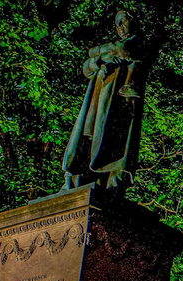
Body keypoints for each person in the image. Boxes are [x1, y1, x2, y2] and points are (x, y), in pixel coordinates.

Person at [61, 10, 144, 191]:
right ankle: (78, 177)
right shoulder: (112, 49)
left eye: (124, 22)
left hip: (119, 102)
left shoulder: (139, 43)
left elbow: (125, 51)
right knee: (86, 136)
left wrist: (100, 52)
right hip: (97, 99)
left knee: (114, 142)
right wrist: (100, 59)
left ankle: (112, 182)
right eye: (117, 23)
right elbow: (86, 67)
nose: (120, 27)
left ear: (133, 21)